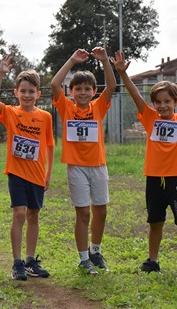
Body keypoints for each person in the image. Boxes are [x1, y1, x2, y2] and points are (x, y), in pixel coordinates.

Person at [112, 51, 177, 276]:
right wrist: (122, 73)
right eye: (158, 102)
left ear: (175, 102)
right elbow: (134, 95)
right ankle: (153, 260)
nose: (162, 106)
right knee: (155, 222)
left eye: (167, 101)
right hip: (154, 180)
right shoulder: (150, 118)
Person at [50, 47, 116, 274]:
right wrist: (71, 60)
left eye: (88, 89)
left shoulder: (98, 107)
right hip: (76, 167)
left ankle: (96, 251)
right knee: (83, 213)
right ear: (71, 91)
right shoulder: (66, 106)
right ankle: (83, 258)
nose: (83, 92)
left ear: (94, 91)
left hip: (98, 166)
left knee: (101, 210)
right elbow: (54, 85)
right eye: (78, 89)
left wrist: (105, 61)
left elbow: (112, 86)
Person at [0, 54, 54, 281]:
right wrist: (0, 73)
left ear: (38, 94)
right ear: (16, 93)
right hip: (16, 173)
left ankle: (29, 261)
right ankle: (16, 263)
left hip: (37, 175)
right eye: (23, 91)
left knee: (34, 216)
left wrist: (48, 174)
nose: (27, 95)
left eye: (31, 91)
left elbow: (49, 146)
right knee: (19, 215)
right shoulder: (11, 112)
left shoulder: (45, 117)